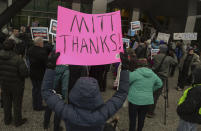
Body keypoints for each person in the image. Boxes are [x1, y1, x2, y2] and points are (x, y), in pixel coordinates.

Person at [41, 52, 130, 131]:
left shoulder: (67, 112)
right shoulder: (103, 113)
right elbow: (122, 93)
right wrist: (125, 69)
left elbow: (46, 92)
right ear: (97, 94)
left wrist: (50, 68)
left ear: (74, 92)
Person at [128, 58, 163, 131]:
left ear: (138, 65)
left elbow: (127, 82)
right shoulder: (153, 74)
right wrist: (151, 90)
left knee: (133, 118)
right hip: (147, 100)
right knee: (142, 118)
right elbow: (160, 83)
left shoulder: (135, 73)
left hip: (134, 99)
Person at [0, 39, 28, 127]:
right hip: (17, 85)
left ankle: (7, 120)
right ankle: (18, 121)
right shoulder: (18, 59)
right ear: (13, 47)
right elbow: (25, 73)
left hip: (4, 84)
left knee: (6, 102)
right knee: (17, 103)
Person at [147, 44, 178, 117]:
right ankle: (150, 112)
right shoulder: (169, 58)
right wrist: (174, 55)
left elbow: (150, 61)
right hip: (162, 78)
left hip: (154, 76)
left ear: (160, 50)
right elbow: (175, 63)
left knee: (151, 92)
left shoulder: (156, 56)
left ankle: (145, 108)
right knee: (156, 95)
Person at [43, 65, 69, 131]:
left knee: (48, 107)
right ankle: (56, 128)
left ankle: (45, 124)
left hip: (50, 91)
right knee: (58, 111)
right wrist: (64, 97)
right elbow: (64, 87)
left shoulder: (51, 66)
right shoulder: (66, 70)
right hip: (59, 93)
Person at [177, 67, 201, 131]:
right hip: (196, 116)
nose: (192, 78)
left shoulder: (197, 90)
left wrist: (180, 109)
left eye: (194, 76)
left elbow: (189, 105)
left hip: (188, 117)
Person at [28, 37, 48, 111]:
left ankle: (35, 105)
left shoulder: (30, 50)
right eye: (42, 42)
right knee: (39, 90)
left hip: (32, 72)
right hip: (40, 74)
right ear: (39, 43)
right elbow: (46, 64)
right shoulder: (42, 52)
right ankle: (39, 106)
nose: (43, 44)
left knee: (35, 89)